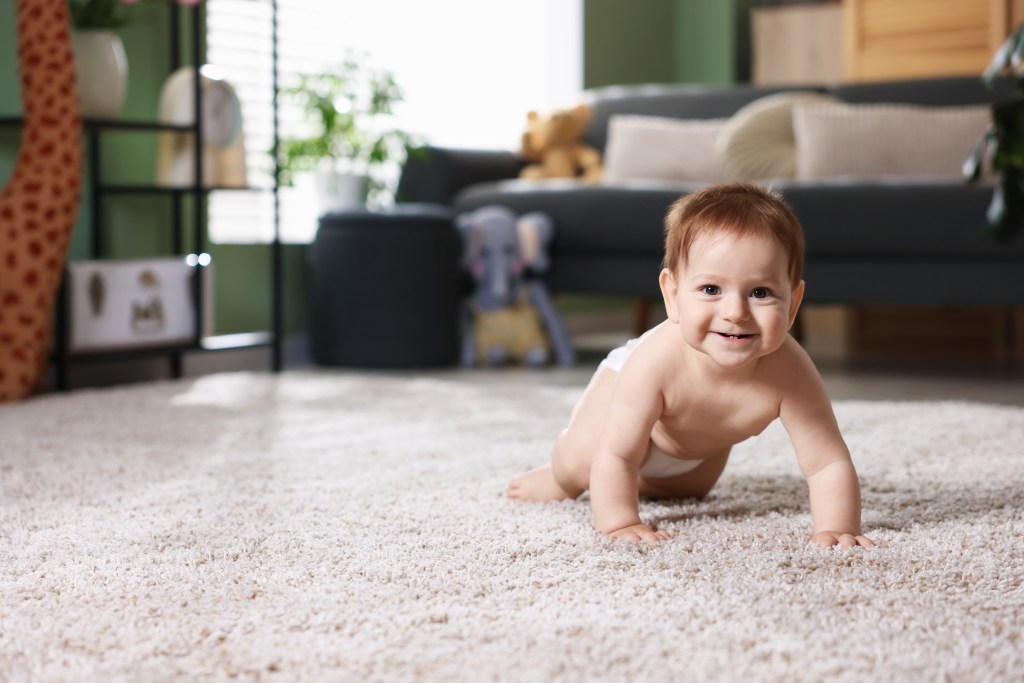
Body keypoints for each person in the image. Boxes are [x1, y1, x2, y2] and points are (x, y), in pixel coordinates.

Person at [508, 183, 875, 548]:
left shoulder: (791, 373)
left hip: (695, 450)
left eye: (760, 293)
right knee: (584, 461)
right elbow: (617, 453)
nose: (735, 313)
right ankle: (558, 479)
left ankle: (644, 477)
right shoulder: (653, 361)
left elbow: (827, 462)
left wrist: (837, 527)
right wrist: (620, 523)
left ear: (793, 304)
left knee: (687, 490)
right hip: (624, 413)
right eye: (711, 289)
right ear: (672, 295)